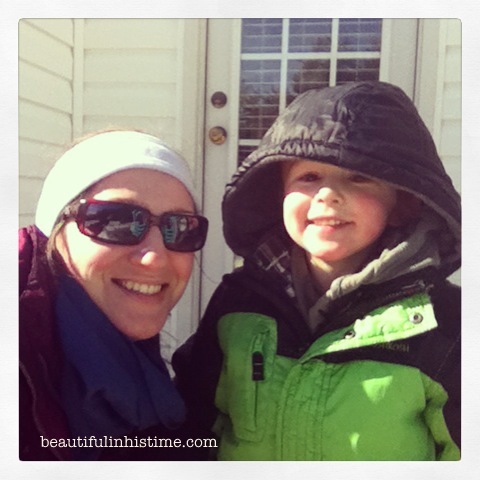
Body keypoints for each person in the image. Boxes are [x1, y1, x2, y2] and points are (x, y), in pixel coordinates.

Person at [173, 81, 461, 461]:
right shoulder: (239, 302)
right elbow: (195, 420)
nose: (327, 195)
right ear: (277, 197)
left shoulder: (444, 321)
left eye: (358, 177)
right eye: (308, 177)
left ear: (403, 204)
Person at [19, 130, 208, 460]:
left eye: (178, 227)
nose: (154, 257)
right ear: (55, 229)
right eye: (117, 221)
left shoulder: (140, 368)